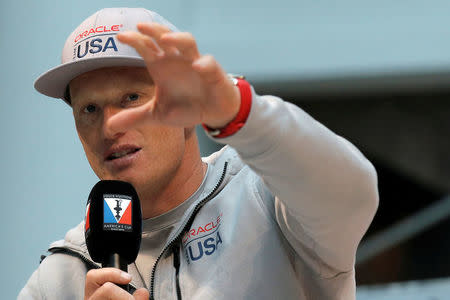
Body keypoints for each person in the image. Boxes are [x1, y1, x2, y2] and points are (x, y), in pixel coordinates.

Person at [19, 7, 378, 300]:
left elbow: (353, 196)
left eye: (132, 98)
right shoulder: (64, 273)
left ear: (186, 107)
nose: (110, 125)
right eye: (90, 110)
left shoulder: (264, 196)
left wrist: (240, 113)